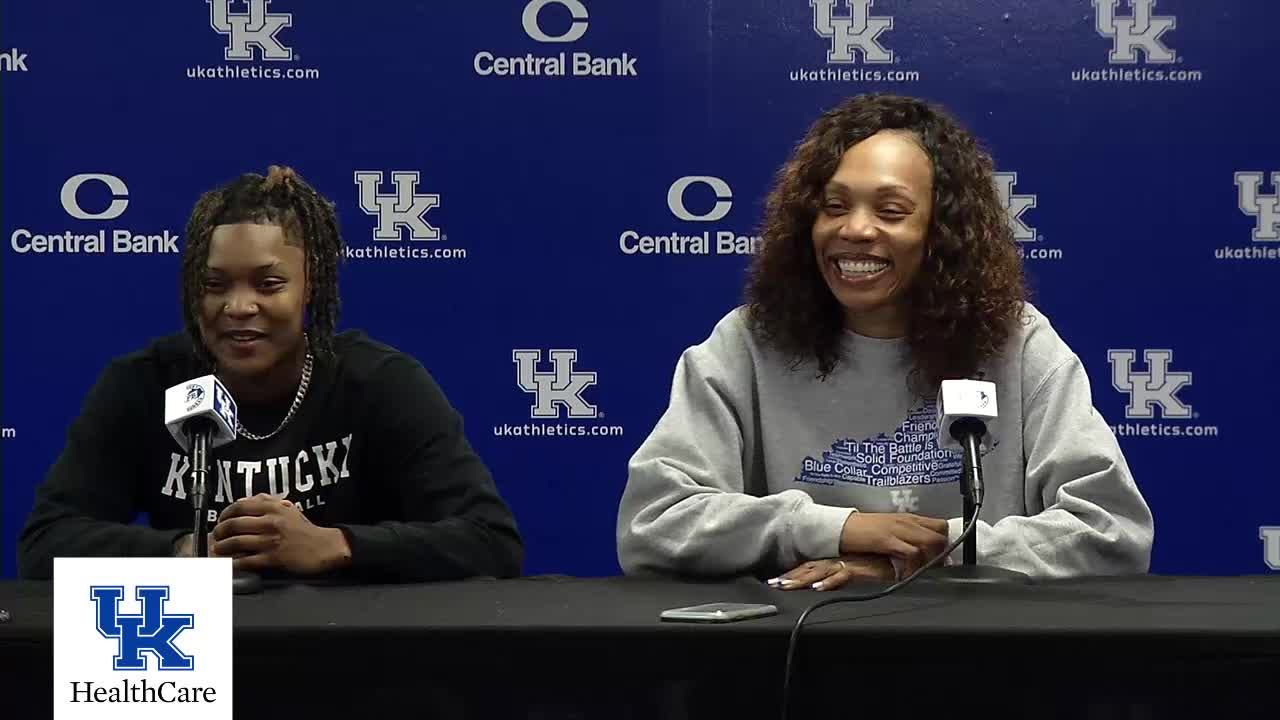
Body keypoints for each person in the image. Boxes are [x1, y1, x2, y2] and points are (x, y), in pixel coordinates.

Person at [616, 94, 1153, 590]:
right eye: (833, 206)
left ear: (942, 234)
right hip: (795, 661)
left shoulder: (1019, 343)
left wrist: (922, 555)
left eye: (891, 212)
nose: (855, 229)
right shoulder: (746, 344)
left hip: (981, 665)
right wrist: (835, 528)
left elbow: (1112, 532)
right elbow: (653, 524)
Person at [17, 165, 523, 583]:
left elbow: (490, 541)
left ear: (312, 287)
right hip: (190, 654)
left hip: (352, 657)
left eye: (269, 283)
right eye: (215, 285)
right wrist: (184, 552)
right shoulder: (144, 385)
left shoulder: (379, 383)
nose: (238, 307)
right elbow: (46, 543)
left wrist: (335, 544)